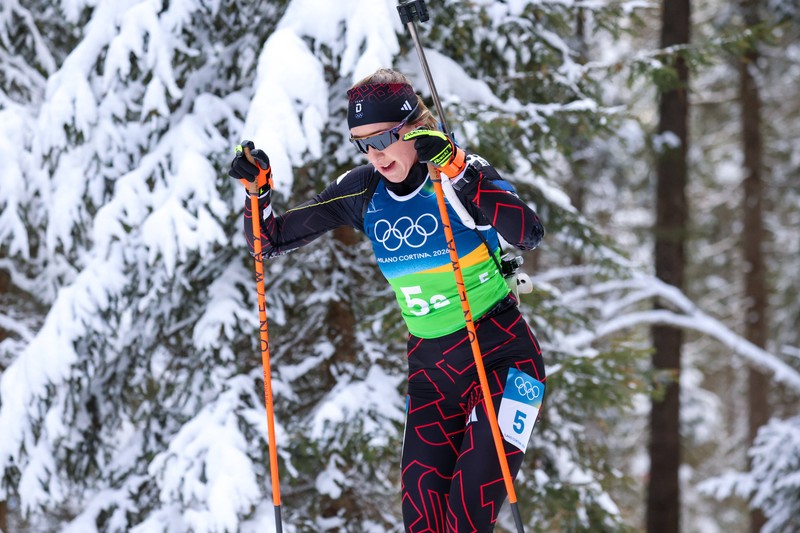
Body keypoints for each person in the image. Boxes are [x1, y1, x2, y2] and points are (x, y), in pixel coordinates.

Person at [229, 67, 546, 533]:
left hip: (501, 359)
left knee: (464, 521)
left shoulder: (457, 173)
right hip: (432, 373)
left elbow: (528, 232)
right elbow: (268, 240)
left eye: (383, 138)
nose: (375, 154)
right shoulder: (362, 191)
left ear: (413, 130)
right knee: (422, 523)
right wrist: (258, 192)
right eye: (363, 143)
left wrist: (460, 170)